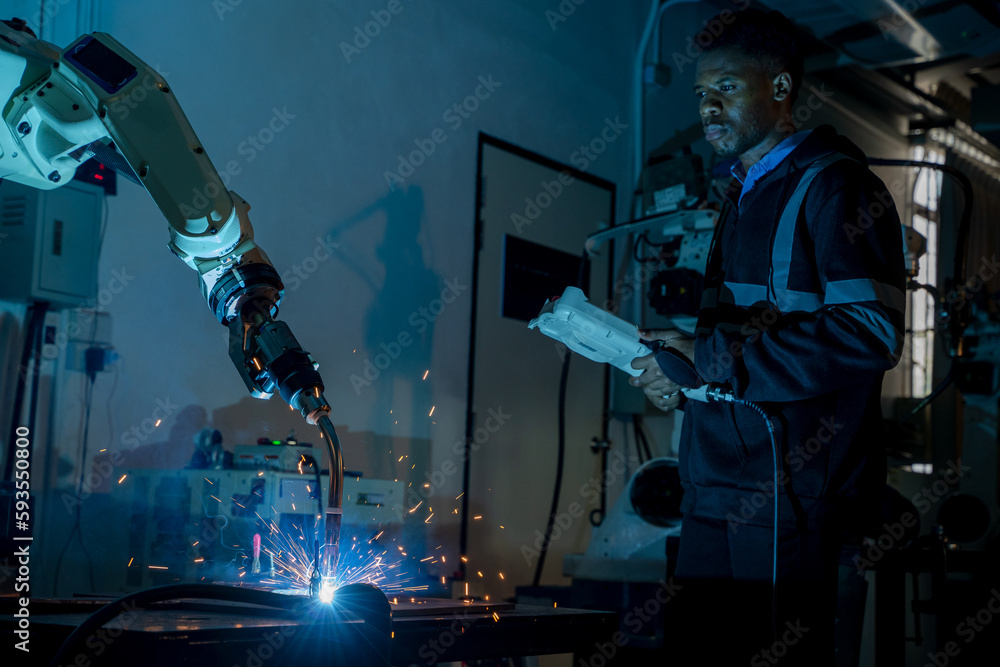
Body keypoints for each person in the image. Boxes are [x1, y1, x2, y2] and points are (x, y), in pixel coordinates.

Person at [630, 9, 905, 664]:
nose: (708, 106)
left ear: (781, 89)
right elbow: (730, 350)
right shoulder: (741, 196)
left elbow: (868, 332)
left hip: (789, 493)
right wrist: (679, 370)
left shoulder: (836, 188)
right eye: (701, 93)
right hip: (711, 484)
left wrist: (710, 357)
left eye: (726, 87)